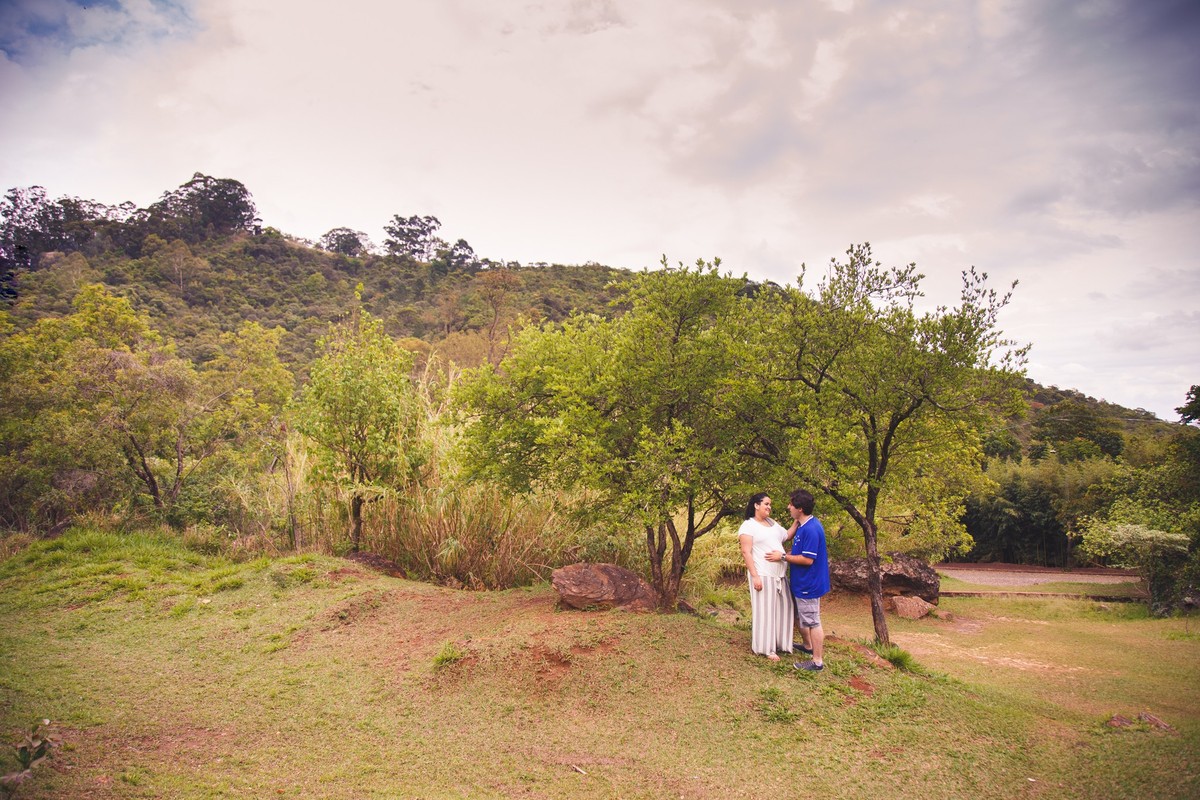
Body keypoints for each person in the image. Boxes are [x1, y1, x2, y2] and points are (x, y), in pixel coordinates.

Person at [769, 489, 829, 671]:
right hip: (801, 582)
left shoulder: (811, 529)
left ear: (800, 508)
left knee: (813, 621)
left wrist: (782, 557)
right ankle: (808, 646)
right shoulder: (803, 525)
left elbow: (807, 559)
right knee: (801, 616)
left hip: (809, 584)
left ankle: (817, 662)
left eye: (791, 504)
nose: (789, 507)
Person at [737, 492, 794, 661]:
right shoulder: (748, 526)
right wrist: (755, 576)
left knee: (784, 608)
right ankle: (766, 648)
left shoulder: (772, 523)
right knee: (765, 611)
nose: (769, 507)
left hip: (780, 575)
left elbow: (787, 535)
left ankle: (781, 644)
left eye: (770, 504)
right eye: (766, 504)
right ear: (756, 505)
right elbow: (746, 552)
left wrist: (798, 520)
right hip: (762, 574)